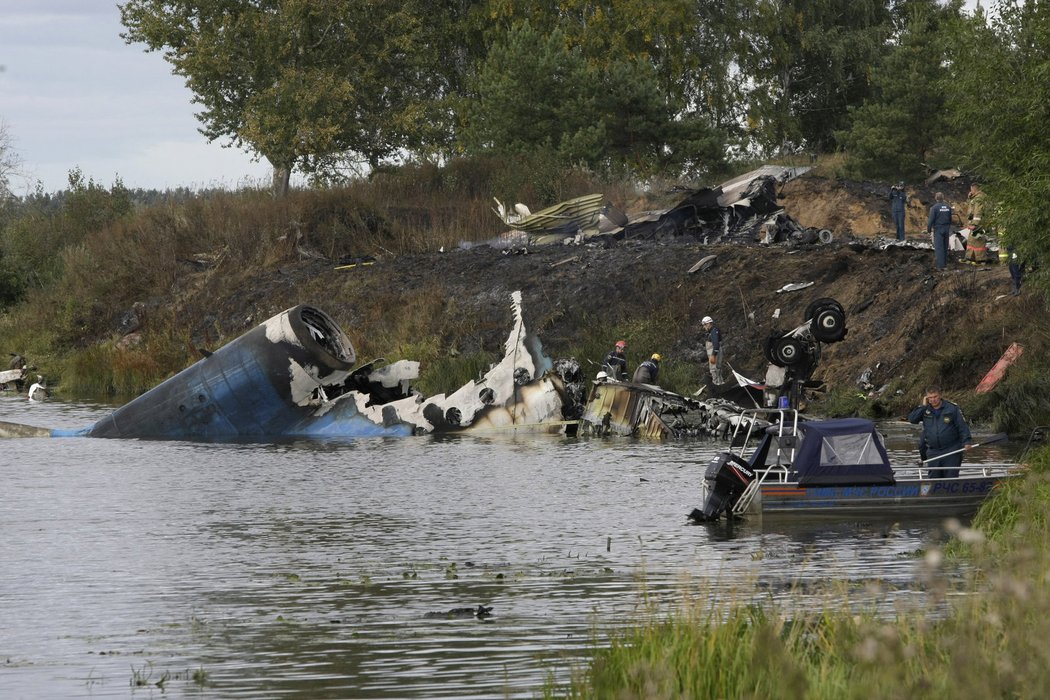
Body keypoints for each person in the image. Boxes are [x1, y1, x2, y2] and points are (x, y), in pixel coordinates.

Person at [907, 385, 972, 478]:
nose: (933, 400)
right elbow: (912, 420)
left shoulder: (952, 408)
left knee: (950, 477)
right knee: (933, 478)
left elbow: (962, 426)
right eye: (930, 397)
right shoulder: (925, 409)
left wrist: (967, 441)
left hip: (951, 450)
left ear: (940, 396)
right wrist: (923, 406)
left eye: (935, 397)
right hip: (933, 451)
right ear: (926, 398)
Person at [926, 192, 954, 271]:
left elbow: (931, 220)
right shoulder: (948, 207)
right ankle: (945, 265)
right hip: (946, 228)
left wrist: (928, 229)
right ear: (943, 198)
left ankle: (940, 266)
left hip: (938, 229)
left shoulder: (934, 208)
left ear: (936, 198)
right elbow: (950, 219)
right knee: (945, 247)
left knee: (939, 248)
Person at [700, 316, 725, 385]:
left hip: (714, 354)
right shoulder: (714, 331)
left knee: (714, 370)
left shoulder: (714, 332)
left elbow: (716, 345)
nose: (704, 327)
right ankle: (721, 383)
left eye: (704, 325)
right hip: (716, 353)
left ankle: (717, 384)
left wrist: (713, 355)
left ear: (708, 324)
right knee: (718, 368)